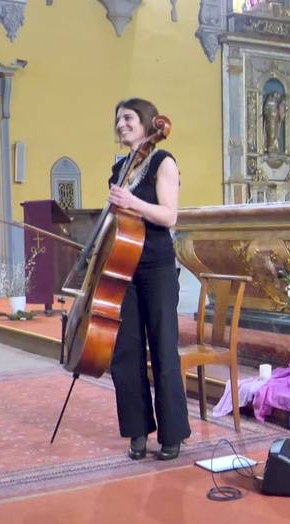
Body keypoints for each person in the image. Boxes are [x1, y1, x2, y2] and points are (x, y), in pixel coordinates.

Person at [106, 97, 191, 461]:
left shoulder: (162, 161)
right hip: (122, 268)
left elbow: (168, 216)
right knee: (125, 354)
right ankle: (137, 433)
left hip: (156, 267)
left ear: (146, 122)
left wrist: (132, 202)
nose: (121, 124)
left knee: (163, 349)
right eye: (118, 120)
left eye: (127, 118)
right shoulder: (120, 168)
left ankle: (172, 434)